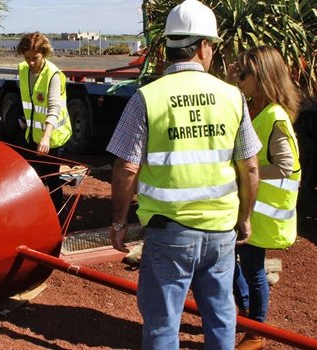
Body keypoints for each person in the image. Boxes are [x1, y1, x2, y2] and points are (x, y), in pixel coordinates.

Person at [107, 1, 261, 349]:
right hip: (221, 231)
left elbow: (126, 167)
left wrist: (118, 223)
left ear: (168, 47)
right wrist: (246, 218)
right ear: (204, 46)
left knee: (163, 325)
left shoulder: (147, 98)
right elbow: (250, 166)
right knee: (221, 318)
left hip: (169, 233)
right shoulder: (232, 97)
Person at [227, 46, 302, 350]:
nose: (239, 78)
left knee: (254, 269)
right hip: (248, 205)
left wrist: (248, 172)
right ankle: (246, 312)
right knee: (233, 261)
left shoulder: (275, 116)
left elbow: (287, 165)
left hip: (263, 212)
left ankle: (256, 331)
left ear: (262, 77)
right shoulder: (253, 106)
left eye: (244, 74)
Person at [15, 32, 73, 210]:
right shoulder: (23, 69)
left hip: (53, 137)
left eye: (35, 58)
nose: (31, 62)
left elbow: (54, 107)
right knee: (32, 178)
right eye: (27, 58)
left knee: (52, 179)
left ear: (44, 54)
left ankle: (56, 218)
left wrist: (46, 137)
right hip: (32, 135)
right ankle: (37, 215)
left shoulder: (53, 74)